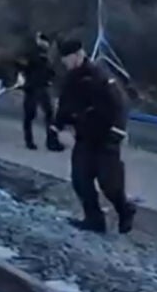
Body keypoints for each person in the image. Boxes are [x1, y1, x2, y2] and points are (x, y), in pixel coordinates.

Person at [54, 38, 136, 234]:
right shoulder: (70, 80)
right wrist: (57, 129)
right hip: (84, 137)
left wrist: (117, 132)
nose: (65, 63)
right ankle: (94, 220)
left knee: (110, 184)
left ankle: (125, 209)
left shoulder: (100, 76)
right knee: (80, 179)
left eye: (68, 58)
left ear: (79, 55)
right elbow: (64, 106)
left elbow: (120, 105)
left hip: (105, 137)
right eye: (63, 59)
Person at [17, 32, 64, 152]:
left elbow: (47, 70)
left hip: (38, 87)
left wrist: (50, 78)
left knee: (44, 115)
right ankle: (37, 141)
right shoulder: (34, 53)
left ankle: (46, 141)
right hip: (34, 87)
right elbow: (24, 66)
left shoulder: (43, 55)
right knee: (35, 115)